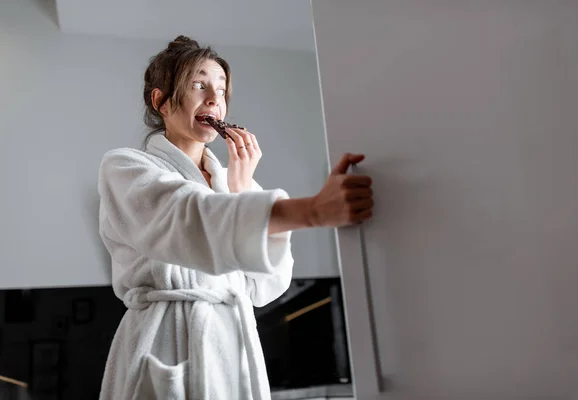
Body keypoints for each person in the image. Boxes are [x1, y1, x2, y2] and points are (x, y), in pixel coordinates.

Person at [97, 35, 373, 400]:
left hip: (233, 346)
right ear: (161, 101)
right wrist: (311, 210)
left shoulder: (233, 184)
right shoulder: (125, 167)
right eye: (199, 85)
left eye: (222, 90)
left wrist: (244, 188)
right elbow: (187, 216)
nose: (215, 99)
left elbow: (265, 289)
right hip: (166, 339)